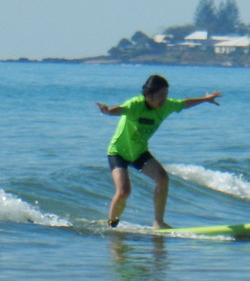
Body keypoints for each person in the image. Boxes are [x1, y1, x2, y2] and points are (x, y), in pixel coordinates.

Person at [95, 74, 221, 229]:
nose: (164, 99)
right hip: (118, 152)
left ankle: (158, 222)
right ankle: (112, 224)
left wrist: (206, 99)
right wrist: (107, 111)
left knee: (163, 178)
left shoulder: (166, 106)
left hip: (139, 152)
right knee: (123, 191)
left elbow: (185, 103)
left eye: (166, 95)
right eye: (160, 96)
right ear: (148, 94)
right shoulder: (136, 104)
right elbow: (120, 109)